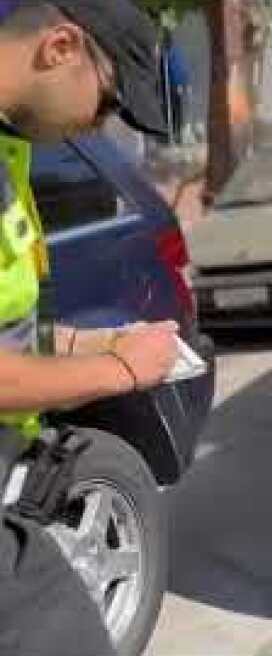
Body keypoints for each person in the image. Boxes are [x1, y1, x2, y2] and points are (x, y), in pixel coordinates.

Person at [0, 1, 178, 654]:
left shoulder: (9, 150)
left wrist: (87, 343)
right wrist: (123, 370)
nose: (98, 127)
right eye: (106, 102)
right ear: (59, 47)